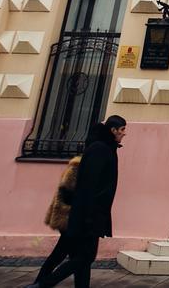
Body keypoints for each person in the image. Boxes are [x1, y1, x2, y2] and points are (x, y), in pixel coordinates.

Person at [25, 115, 126, 288]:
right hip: (86, 216)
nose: (124, 134)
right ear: (113, 130)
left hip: (85, 215)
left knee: (76, 258)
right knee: (84, 257)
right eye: (122, 129)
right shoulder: (100, 150)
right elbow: (88, 187)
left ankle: (39, 283)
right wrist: (88, 218)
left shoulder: (105, 149)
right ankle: (42, 284)